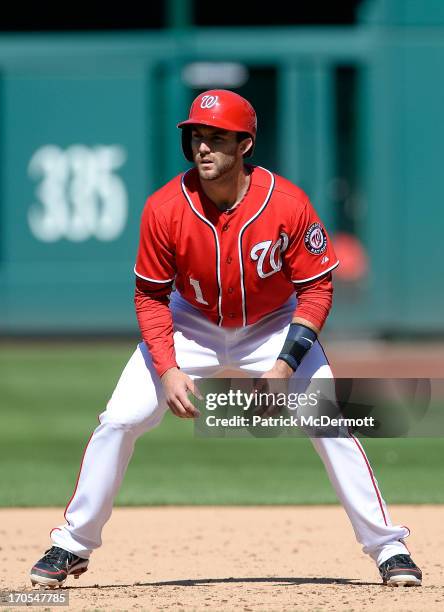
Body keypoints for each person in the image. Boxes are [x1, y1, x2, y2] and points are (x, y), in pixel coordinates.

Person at [30, 89, 422, 588]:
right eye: (197, 136)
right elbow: (150, 297)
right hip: (190, 324)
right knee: (120, 419)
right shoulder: (164, 208)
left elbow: (316, 290)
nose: (204, 148)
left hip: (273, 324)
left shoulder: (287, 203)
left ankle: (389, 548)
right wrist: (168, 367)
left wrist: (284, 365)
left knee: (329, 423)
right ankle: (72, 544)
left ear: (245, 145)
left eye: (217, 138)